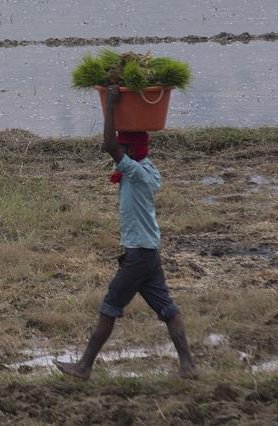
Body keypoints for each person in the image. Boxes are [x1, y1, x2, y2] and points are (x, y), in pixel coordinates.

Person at [54, 85, 197, 380]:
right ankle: (188, 366)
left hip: (138, 256)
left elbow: (108, 144)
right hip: (148, 252)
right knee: (167, 308)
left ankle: (83, 367)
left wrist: (110, 106)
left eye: (125, 147)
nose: (120, 150)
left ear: (132, 151)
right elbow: (115, 148)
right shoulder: (148, 170)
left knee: (109, 308)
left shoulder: (135, 171)